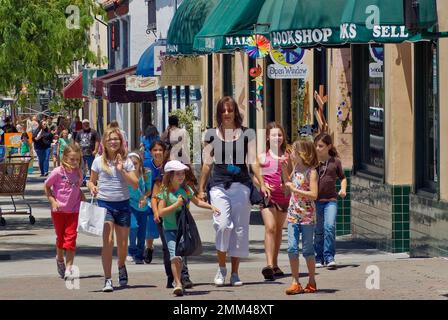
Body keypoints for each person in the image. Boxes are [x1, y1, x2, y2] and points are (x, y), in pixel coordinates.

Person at [198, 96, 270, 287]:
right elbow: (207, 163)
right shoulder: (211, 134)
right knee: (222, 225)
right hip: (219, 186)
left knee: (239, 229)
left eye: (230, 110)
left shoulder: (248, 134)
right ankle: (221, 268)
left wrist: (261, 183)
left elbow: (253, 160)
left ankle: (235, 273)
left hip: (241, 186)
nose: (227, 114)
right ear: (219, 113)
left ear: (235, 112)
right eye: (223, 110)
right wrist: (200, 189)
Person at [157, 160, 220, 296]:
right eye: (178, 174)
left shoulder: (186, 189)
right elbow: (161, 212)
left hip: (183, 229)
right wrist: (176, 204)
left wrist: (211, 207)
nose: (181, 176)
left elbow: (197, 202)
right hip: (169, 230)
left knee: (179, 257)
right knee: (174, 256)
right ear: (170, 175)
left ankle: (178, 281)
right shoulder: (164, 191)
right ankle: (178, 283)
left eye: (182, 174)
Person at [88, 127, 138, 292]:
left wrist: (121, 169)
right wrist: (92, 187)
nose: (113, 142)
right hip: (105, 204)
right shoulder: (97, 161)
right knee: (108, 242)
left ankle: (121, 265)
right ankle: (108, 279)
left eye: (116, 139)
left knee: (123, 245)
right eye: (110, 139)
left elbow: (135, 184)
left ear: (121, 141)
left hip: (123, 205)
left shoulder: (127, 161)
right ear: (104, 142)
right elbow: (91, 181)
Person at [44, 143, 85, 280]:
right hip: (59, 211)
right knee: (60, 238)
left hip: (74, 210)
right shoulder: (57, 172)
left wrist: (82, 195)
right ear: (65, 158)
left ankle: (69, 268)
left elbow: (76, 188)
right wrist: (53, 201)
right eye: (72, 159)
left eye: (77, 160)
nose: (75, 162)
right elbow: (47, 186)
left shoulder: (79, 173)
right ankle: (59, 258)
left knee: (71, 239)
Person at [256, 122, 291, 280]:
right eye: (274, 135)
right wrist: (262, 185)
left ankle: (275, 265)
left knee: (277, 231)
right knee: (270, 228)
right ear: (268, 138)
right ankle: (269, 265)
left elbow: (289, 180)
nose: (277, 137)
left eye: (280, 135)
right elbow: (255, 178)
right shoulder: (262, 156)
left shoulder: (288, 157)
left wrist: (285, 167)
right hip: (267, 197)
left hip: (283, 197)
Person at [284, 139, 319, 295]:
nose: (292, 154)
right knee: (292, 248)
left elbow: (313, 194)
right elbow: (289, 185)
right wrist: (284, 170)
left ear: (302, 153)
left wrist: (294, 190)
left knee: (307, 250)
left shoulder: (311, 172)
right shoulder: (296, 168)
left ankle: (311, 281)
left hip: (307, 216)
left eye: (294, 151)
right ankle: (295, 281)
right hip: (293, 214)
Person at [314, 133, 347, 269]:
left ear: (329, 146)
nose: (317, 148)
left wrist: (343, 189)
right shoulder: (313, 162)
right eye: (315, 146)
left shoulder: (335, 162)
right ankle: (318, 257)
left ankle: (329, 257)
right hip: (315, 201)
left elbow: (343, 178)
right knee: (319, 230)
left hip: (330, 200)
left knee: (329, 227)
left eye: (320, 146)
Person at [126, 151, 153, 265]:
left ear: (140, 163)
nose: (133, 166)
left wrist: (144, 197)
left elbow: (148, 190)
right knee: (133, 227)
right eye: (131, 164)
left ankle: (139, 255)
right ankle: (131, 250)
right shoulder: (125, 174)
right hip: (130, 204)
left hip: (143, 205)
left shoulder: (146, 173)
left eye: (136, 163)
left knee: (142, 232)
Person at [75, 119, 100, 185]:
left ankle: (93, 181)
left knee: (92, 167)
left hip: (91, 153)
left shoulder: (93, 132)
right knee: (82, 168)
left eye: (87, 123)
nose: (86, 124)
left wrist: (96, 150)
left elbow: (97, 141)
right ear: (82, 125)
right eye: (84, 123)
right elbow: (76, 142)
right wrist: (78, 151)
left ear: (89, 124)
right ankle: (83, 181)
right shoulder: (79, 132)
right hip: (81, 153)